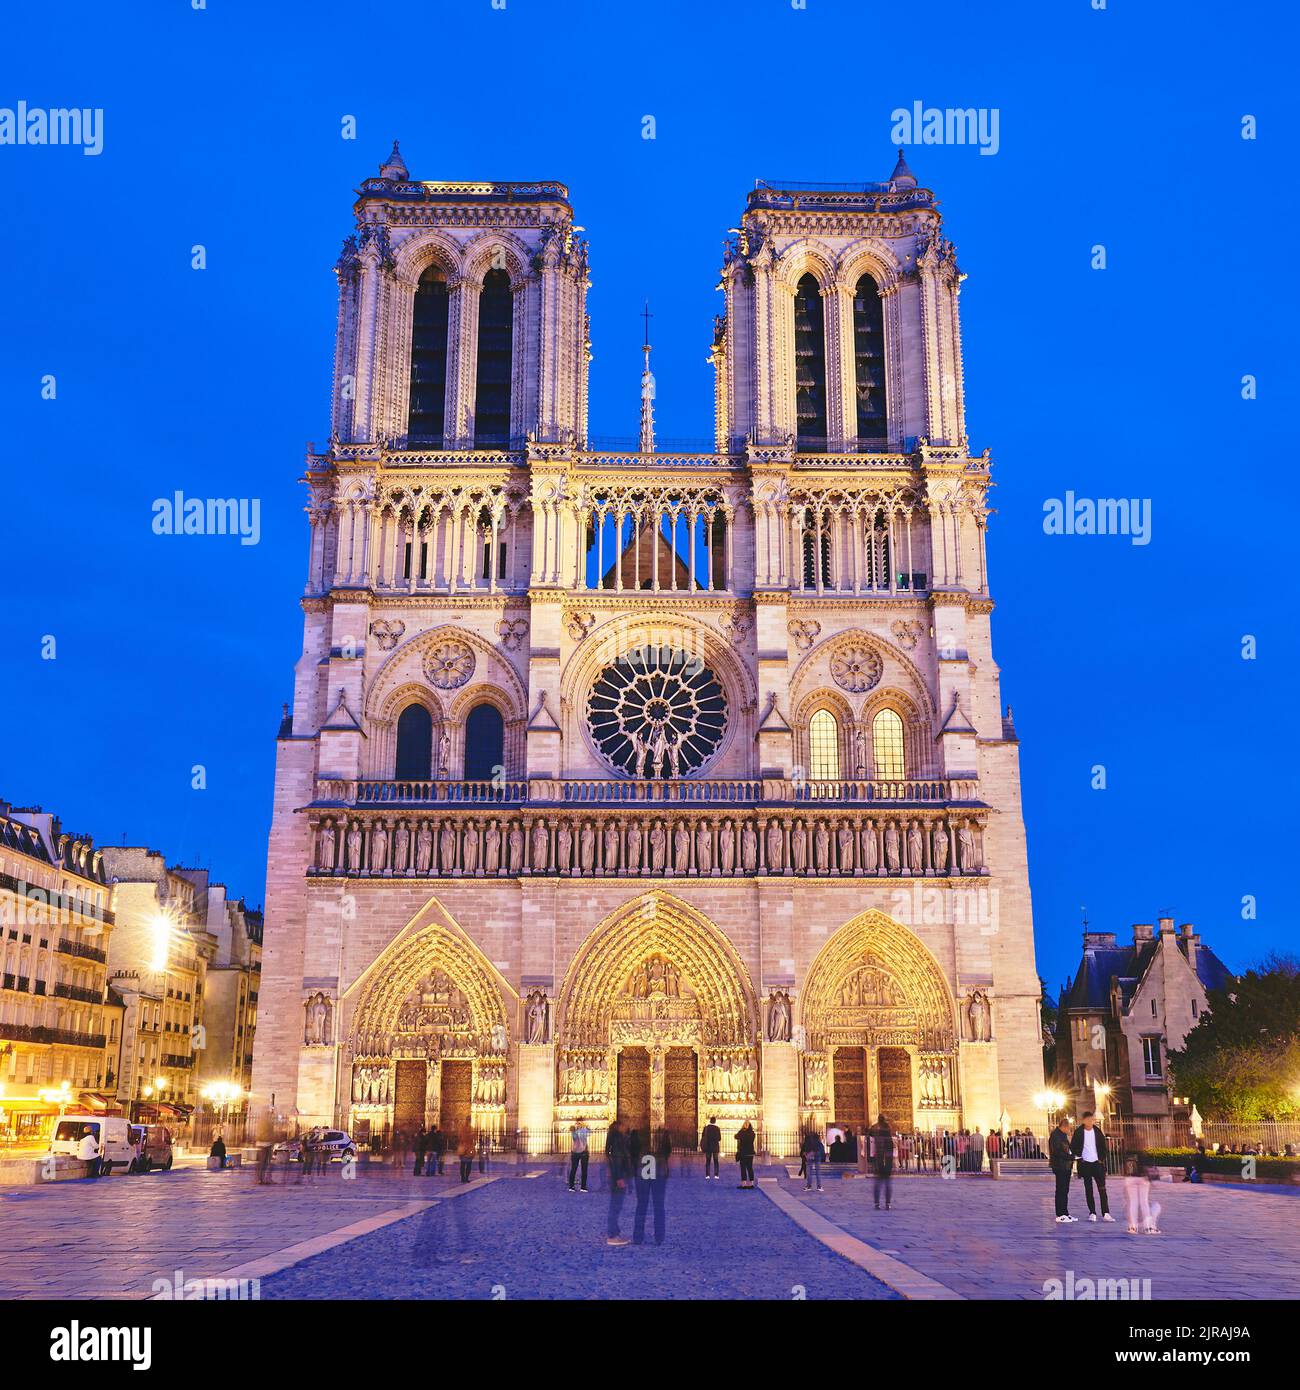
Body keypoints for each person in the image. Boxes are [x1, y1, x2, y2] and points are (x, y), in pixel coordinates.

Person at [1070, 1111, 1114, 1222]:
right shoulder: (1079, 1132)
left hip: (1097, 1163)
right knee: (1088, 1189)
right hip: (1085, 1164)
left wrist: (1101, 1159)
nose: (1091, 1121)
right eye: (1089, 1120)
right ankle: (1092, 1212)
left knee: (1102, 1189)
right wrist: (1079, 1156)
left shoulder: (1098, 1132)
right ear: (1084, 1120)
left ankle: (1106, 1213)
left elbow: (1103, 1147)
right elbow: (1073, 1146)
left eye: (1092, 1119)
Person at [633, 1130, 672, 1245]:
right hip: (659, 1172)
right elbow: (667, 1152)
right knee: (659, 1206)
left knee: (641, 1205)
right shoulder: (664, 1136)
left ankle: (638, 1237)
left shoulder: (638, 1135)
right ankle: (659, 1237)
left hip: (642, 1172)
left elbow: (633, 1152)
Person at [1123, 1149, 1162, 1235]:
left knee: (1133, 1202)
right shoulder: (1143, 1152)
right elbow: (1148, 1165)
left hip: (1130, 1178)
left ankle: (1133, 1227)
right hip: (1142, 1178)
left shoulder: (1127, 1151)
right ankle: (1148, 1227)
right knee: (1144, 1202)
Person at [605, 1119, 631, 1245]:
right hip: (618, 1178)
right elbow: (617, 1161)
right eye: (624, 1125)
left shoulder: (617, 1141)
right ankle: (612, 1236)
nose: (626, 1126)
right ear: (619, 1127)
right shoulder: (617, 1143)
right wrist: (619, 1178)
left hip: (617, 1177)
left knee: (616, 1206)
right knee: (615, 1206)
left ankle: (614, 1232)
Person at [1048, 1116, 1076, 1223]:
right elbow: (1057, 1152)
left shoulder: (1063, 1136)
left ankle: (1065, 1213)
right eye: (1069, 1128)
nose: (1070, 1130)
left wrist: (1072, 1155)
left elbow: (1067, 1149)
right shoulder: (1055, 1136)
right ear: (1064, 1127)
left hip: (1066, 1166)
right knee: (1061, 1190)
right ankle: (1060, 1214)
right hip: (1060, 1166)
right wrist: (1070, 1157)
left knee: (1065, 1190)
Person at [870, 1115, 895, 1209]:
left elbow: (869, 1132)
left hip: (879, 1162)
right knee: (887, 1184)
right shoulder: (889, 1138)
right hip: (887, 1162)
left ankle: (877, 1203)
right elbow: (891, 1151)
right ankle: (888, 1203)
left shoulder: (877, 1134)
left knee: (877, 1184)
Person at [568, 1117, 591, 1192]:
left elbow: (588, 1134)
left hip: (581, 1151)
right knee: (574, 1169)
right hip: (577, 1152)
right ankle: (573, 1186)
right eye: (577, 1123)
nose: (578, 1124)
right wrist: (574, 1131)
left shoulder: (583, 1130)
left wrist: (584, 1128)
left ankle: (581, 1186)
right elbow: (574, 1138)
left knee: (583, 1170)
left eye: (580, 1123)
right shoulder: (575, 1130)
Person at [735, 1120, 757, 1189]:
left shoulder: (742, 1133)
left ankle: (744, 1184)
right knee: (750, 1168)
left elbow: (736, 1136)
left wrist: (742, 1129)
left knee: (743, 1168)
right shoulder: (753, 1134)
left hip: (743, 1153)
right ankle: (751, 1183)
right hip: (750, 1153)